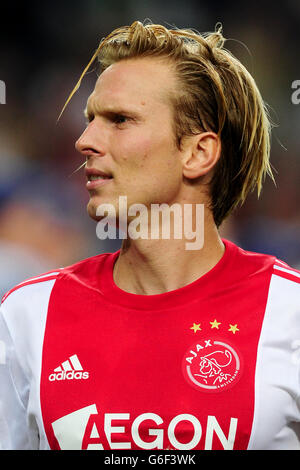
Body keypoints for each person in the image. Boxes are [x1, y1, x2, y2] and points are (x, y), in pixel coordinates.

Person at [0, 20, 299, 451]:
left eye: (119, 120)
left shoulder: (291, 315)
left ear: (198, 152)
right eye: (90, 119)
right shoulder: (28, 316)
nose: (85, 140)